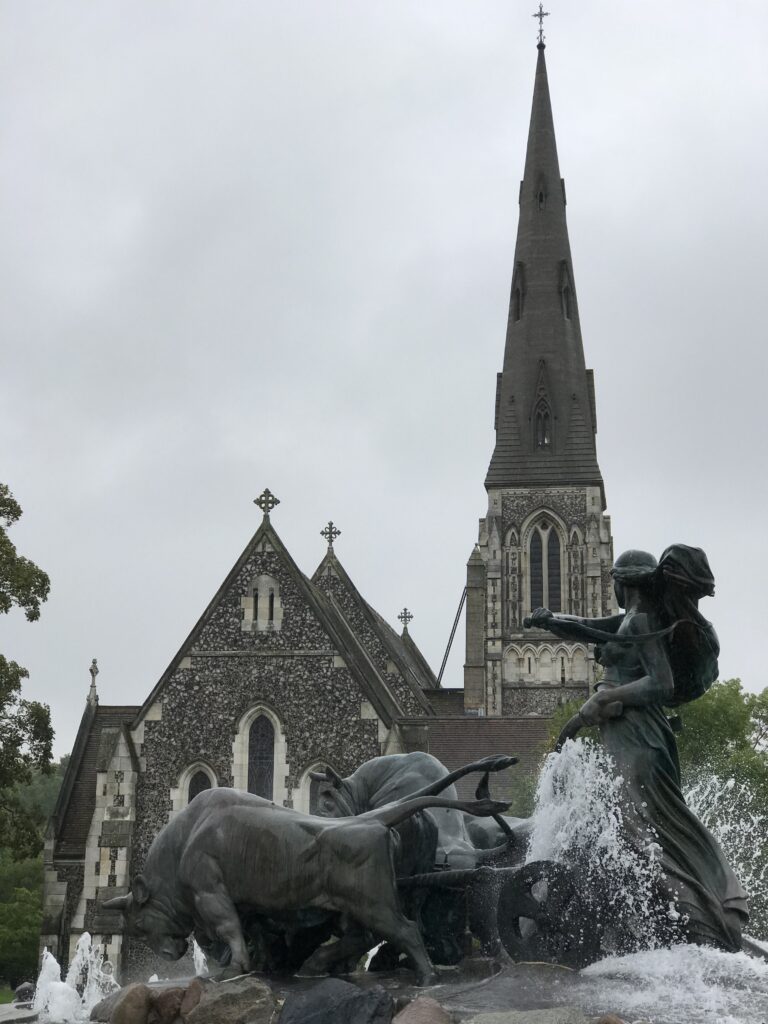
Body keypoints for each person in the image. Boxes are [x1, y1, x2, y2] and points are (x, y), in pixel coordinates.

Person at [526, 545, 748, 951]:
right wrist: (552, 621)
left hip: (639, 737)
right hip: (632, 735)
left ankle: (700, 926)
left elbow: (661, 684)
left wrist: (605, 699)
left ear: (622, 582)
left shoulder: (641, 619)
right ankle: (688, 919)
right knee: (650, 830)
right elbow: (589, 626)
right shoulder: (632, 618)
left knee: (639, 833)